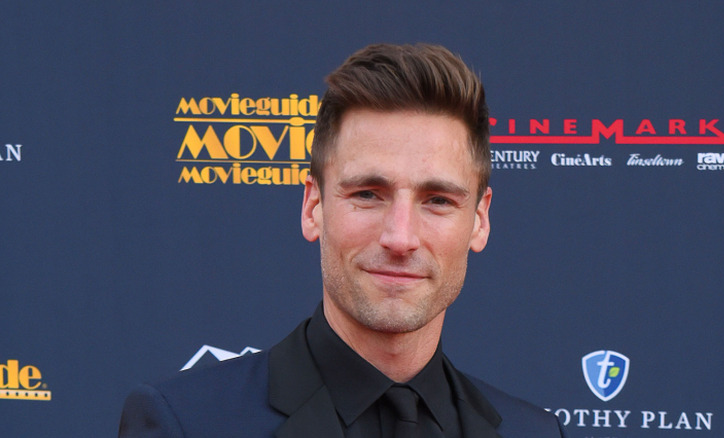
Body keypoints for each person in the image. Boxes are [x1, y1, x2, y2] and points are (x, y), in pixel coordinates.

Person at [118, 43, 567, 438]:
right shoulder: (188, 423)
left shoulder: (535, 433)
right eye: (368, 194)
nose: (400, 237)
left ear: (480, 220)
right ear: (313, 205)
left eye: (438, 200)